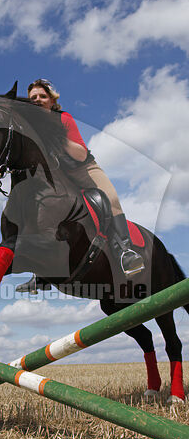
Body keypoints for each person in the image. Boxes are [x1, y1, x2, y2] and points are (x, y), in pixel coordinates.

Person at [17, 78, 144, 292]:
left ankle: (126, 251)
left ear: (51, 100)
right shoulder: (32, 127)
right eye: (33, 98)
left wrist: (55, 136)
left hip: (82, 169)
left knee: (110, 198)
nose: (38, 100)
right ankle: (40, 274)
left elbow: (81, 153)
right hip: (59, 177)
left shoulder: (63, 118)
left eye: (42, 96)